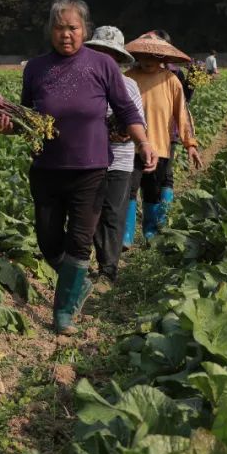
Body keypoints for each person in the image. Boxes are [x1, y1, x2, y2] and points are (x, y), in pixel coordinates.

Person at [0, 0, 156, 335]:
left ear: (85, 30)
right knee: (49, 241)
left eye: (73, 27)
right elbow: (29, 118)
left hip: (91, 169)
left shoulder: (102, 66)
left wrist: (143, 141)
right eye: (59, 27)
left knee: (79, 242)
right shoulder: (36, 68)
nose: (65, 34)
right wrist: (8, 127)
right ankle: (78, 284)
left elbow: (126, 110)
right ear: (49, 31)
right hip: (47, 169)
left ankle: (64, 311)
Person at [124, 36, 203, 244]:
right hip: (130, 147)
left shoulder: (171, 80)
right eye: (143, 55)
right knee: (129, 190)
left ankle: (151, 235)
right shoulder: (127, 78)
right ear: (136, 56)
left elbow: (182, 115)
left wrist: (190, 144)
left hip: (160, 147)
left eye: (153, 55)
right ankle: (125, 237)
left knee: (153, 192)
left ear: (162, 57)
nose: (148, 59)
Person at [84, 26, 145, 282]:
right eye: (98, 52)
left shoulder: (129, 86)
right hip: (87, 158)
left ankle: (108, 269)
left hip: (119, 159)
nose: (104, 58)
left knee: (113, 212)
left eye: (110, 54)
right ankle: (92, 260)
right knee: (91, 212)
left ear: (119, 58)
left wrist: (116, 131)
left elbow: (137, 123)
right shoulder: (82, 83)